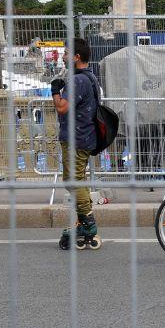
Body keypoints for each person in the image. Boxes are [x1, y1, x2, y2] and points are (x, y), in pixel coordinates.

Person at [52, 38, 101, 250]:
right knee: (76, 180)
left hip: (76, 138)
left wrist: (54, 91)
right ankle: (83, 222)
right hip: (84, 136)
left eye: (65, 53)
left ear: (76, 57)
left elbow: (62, 108)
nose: (62, 57)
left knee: (73, 181)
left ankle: (88, 225)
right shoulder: (89, 77)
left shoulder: (77, 81)